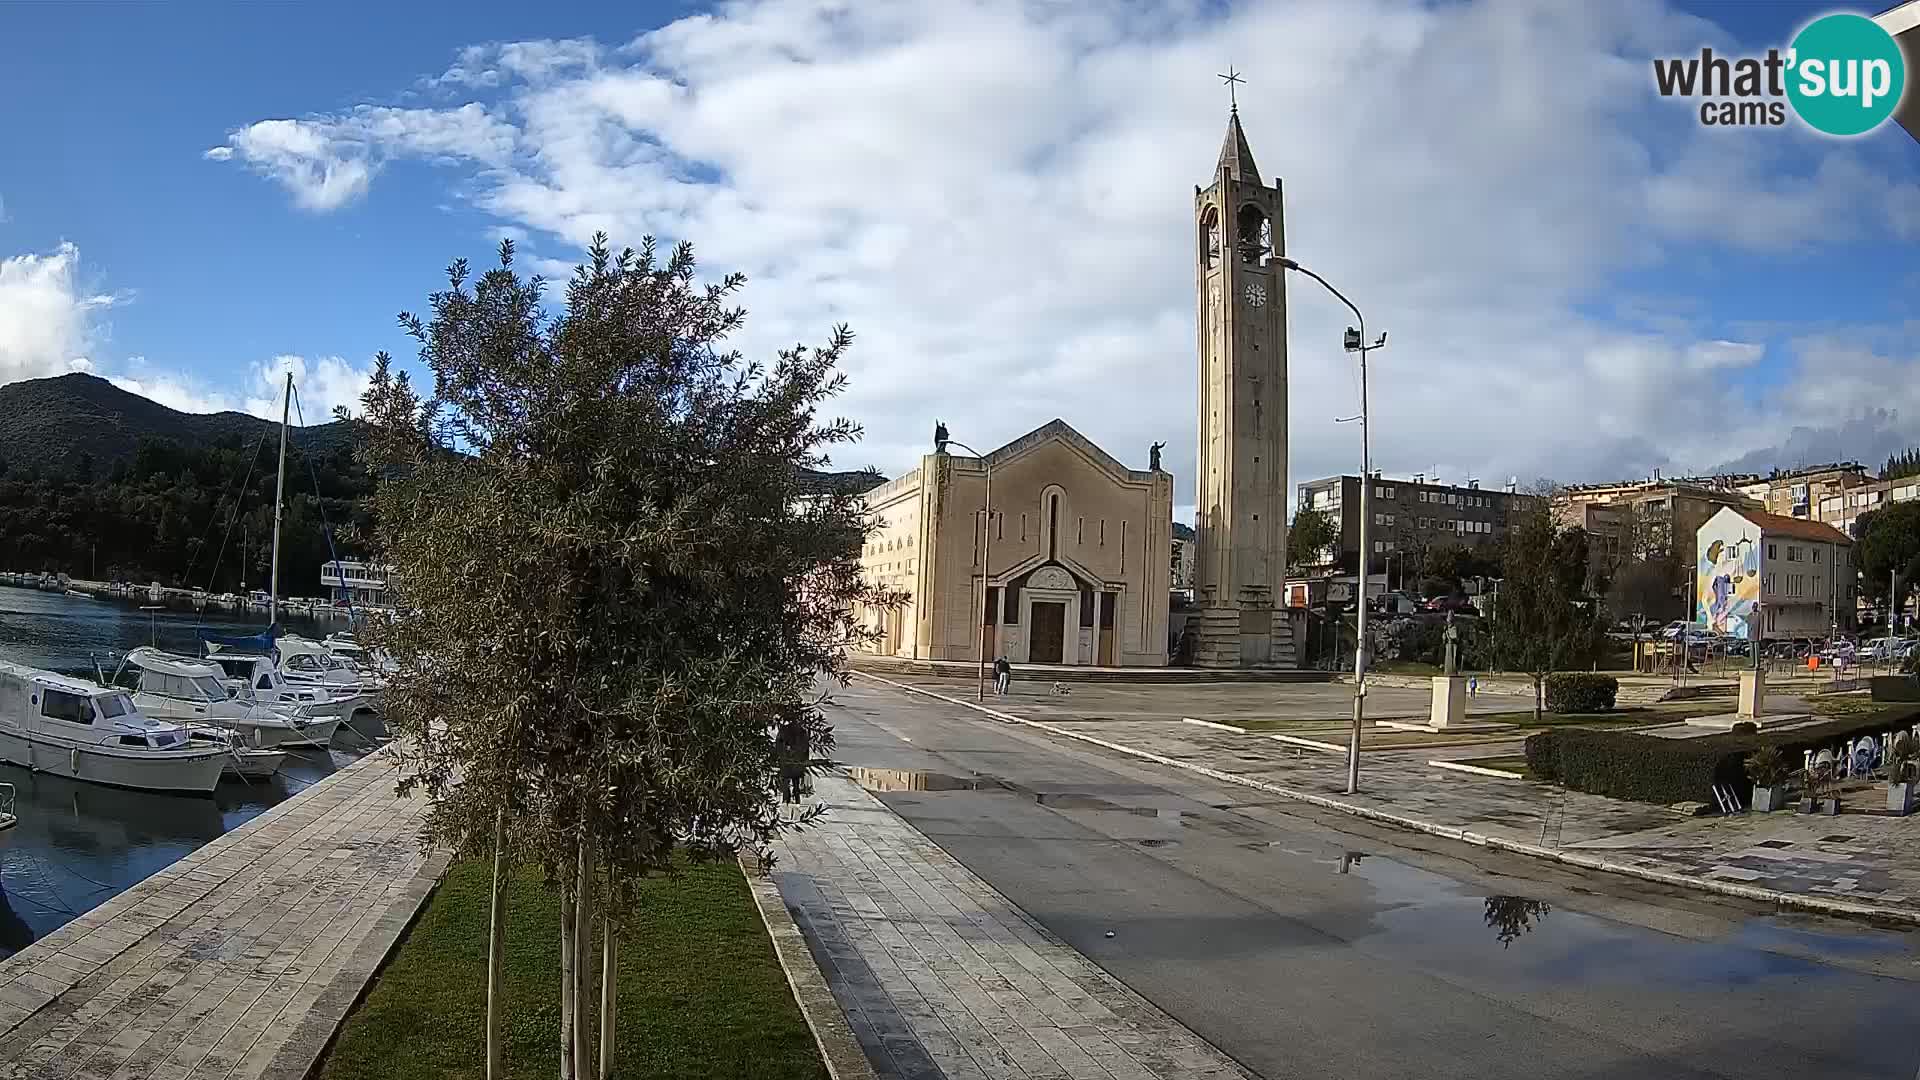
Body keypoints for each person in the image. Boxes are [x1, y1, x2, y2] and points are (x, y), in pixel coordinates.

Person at [774, 714, 810, 807]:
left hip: (786, 760)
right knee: (795, 781)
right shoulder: (802, 731)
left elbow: (778, 745)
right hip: (797, 760)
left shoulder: (784, 730)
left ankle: (786, 799)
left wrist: (777, 757)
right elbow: (806, 747)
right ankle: (796, 798)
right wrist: (805, 760)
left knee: (786, 780)